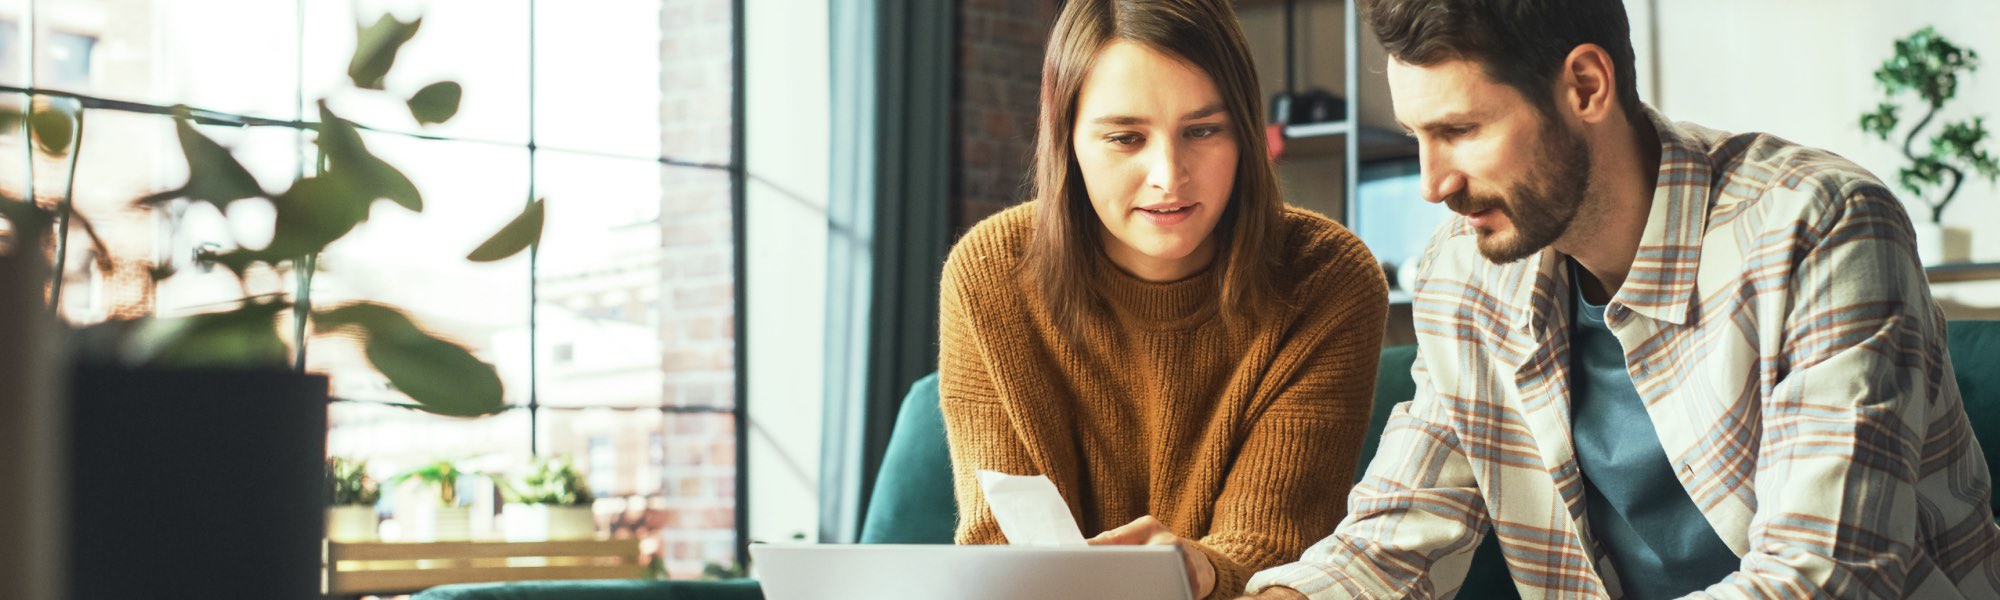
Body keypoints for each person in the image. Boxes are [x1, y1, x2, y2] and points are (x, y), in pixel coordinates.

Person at [1239, 1, 2000, 598]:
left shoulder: (1820, 228)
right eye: (1418, 136)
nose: (1433, 182)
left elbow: (1827, 575)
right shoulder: (1464, 274)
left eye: (1460, 130)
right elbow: (1397, 533)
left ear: (1585, 87)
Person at [936, 0, 1391, 598]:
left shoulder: (1326, 279)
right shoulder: (991, 274)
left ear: (1247, 132)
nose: (1169, 175)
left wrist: (1198, 568)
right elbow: (1001, 548)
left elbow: (1277, 546)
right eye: (1126, 138)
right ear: (1066, 139)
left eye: (1203, 130)